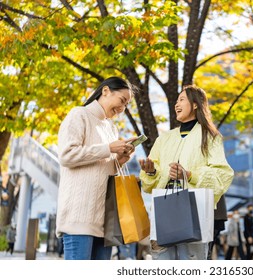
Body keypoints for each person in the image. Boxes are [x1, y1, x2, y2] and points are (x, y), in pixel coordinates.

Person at [139, 85, 234, 260]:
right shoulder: (164, 138)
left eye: (181, 99)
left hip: (195, 211)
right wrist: (151, 172)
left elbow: (223, 175)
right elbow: (149, 184)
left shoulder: (210, 136)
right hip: (164, 209)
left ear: (196, 104)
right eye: (176, 101)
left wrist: (189, 175)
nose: (176, 104)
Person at [56, 76, 137, 260]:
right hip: (79, 220)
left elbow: (103, 171)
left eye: (126, 105)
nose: (122, 109)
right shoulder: (79, 115)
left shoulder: (111, 128)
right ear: (106, 91)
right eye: (122, 101)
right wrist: (108, 148)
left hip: (104, 223)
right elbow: (67, 155)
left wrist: (119, 159)